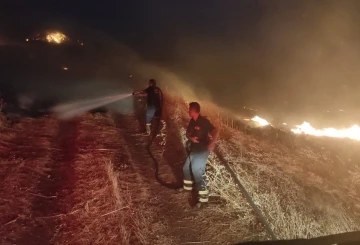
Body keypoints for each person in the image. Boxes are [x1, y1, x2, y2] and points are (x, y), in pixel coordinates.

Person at [180, 102, 219, 208]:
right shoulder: (192, 121)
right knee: (186, 169)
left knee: (197, 172)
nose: (188, 111)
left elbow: (215, 131)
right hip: (193, 149)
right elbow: (188, 133)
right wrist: (190, 138)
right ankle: (187, 188)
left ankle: (203, 200)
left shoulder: (204, 121)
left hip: (202, 150)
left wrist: (212, 143)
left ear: (194, 110)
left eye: (190, 110)